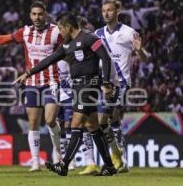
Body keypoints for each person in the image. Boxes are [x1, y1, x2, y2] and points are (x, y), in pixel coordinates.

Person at [0, 1, 62, 171]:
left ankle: (57, 152)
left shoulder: (56, 32)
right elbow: (3, 39)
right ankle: (35, 161)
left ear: (46, 14)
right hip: (31, 83)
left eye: (40, 14)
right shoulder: (25, 32)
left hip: (52, 81)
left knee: (50, 120)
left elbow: (72, 43)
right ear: (30, 15)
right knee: (33, 122)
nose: (37, 17)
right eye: (34, 14)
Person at [14, 12, 117, 176]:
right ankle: (110, 166)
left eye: (61, 29)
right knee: (92, 126)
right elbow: (49, 60)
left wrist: (106, 82)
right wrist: (28, 73)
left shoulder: (90, 39)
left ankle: (64, 164)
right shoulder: (67, 45)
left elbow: (105, 58)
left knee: (75, 124)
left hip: (88, 86)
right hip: (78, 87)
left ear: (69, 27)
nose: (60, 32)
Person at [80, 0, 149, 174]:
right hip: (101, 83)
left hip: (120, 83)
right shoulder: (97, 33)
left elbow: (145, 58)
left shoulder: (129, 33)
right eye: (104, 10)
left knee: (103, 120)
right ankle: (120, 159)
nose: (106, 13)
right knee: (111, 123)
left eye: (109, 10)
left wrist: (140, 50)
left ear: (118, 11)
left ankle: (117, 159)